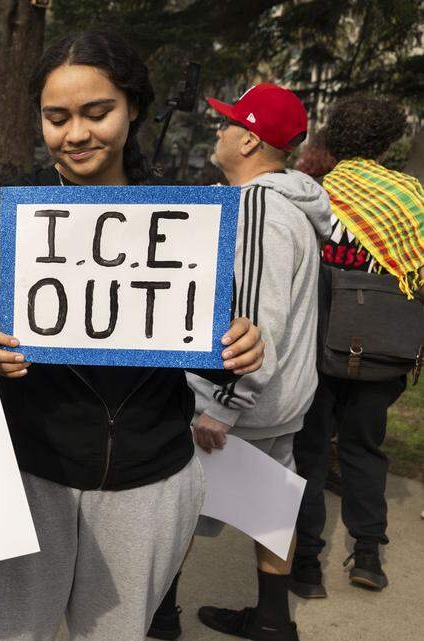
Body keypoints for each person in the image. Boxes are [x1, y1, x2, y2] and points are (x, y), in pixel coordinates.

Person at [0, 31, 265, 641]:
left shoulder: (185, 220)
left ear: (134, 109)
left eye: (98, 112)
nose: (76, 134)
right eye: (57, 117)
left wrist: (239, 349)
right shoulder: (2, 215)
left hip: (148, 480)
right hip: (26, 475)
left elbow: (207, 336)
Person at [150, 83, 331, 641]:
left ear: (250, 140)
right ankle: (274, 622)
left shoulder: (255, 205)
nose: (219, 131)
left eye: (228, 124)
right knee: (270, 511)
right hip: (282, 398)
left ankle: (160, 619)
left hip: (240, 402)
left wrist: (221, 405)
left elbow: (254, 319)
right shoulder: (295, 205)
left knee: (179, 503)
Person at [291, 96, 424, 599]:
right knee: (365, 448)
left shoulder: (318, 193)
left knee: (309, 452)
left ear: (337, 139)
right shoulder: (410, 196)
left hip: (318, 342)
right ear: (388, 141)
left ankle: (304, 563)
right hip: (384, 347)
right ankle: (368, 554)